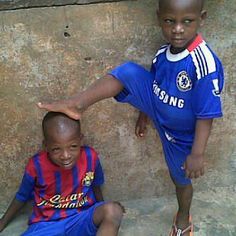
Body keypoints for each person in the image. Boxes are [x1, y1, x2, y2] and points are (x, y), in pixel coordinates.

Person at [37, 0, 224, 235]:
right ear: (159, 18)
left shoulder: (203, 63)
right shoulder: (162, 54)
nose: (177, 29)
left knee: (181, 181)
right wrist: (144, 115)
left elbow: (206, 115)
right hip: (158, 109)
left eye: (187, 21)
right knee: (127, 72)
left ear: (202, 18)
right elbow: (154, 86)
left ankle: (183, 217)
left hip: (182, 137)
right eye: (170, 21)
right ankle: (78, 104)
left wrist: (197, 154)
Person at [0, 112, 124, 236]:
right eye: (56, 149)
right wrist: (2, 223)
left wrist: (102, 208)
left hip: (81, 219)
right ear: (46, 146)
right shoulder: (36, 165)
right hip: (47, 225)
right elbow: (21, 197)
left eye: (73, 146)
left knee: (114, 210)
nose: (65, 156)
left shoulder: (90, 157)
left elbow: (96, 186)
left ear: (81, 140)